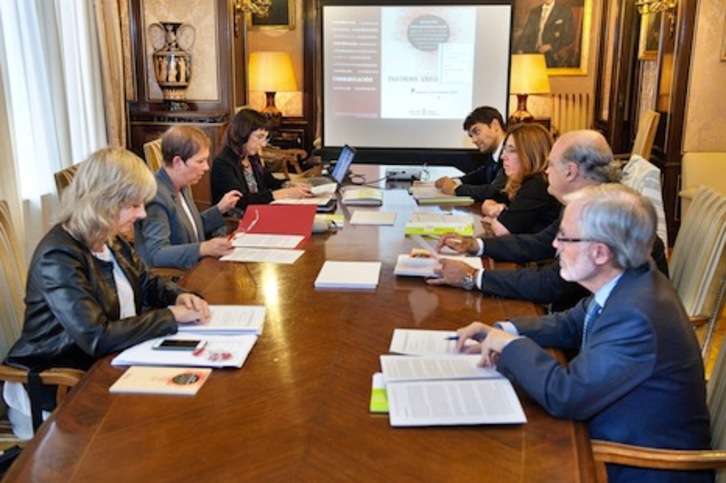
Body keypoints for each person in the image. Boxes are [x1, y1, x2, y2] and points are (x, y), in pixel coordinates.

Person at [455, 184, 712, 482]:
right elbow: (571, 324)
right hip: (602, 437)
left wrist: (511, 346)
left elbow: (566, 394)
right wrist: (500, 330)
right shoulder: (630, 278)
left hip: (634, 466)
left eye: (565, 237)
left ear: (600, 252)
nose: (555, 245)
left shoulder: (637, 315)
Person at [3, 147, 210, 438]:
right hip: (60, 388)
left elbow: (146, 282)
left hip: (108, 368)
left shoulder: (107, 239)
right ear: (104, 202)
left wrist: (177, 295)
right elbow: (96, 336)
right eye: (134, 204)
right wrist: (170, 317)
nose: (141, 214)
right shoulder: (59, 255)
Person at [429, 130, 668, 311]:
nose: (545, 171)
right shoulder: (586, 203)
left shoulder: (602, 215)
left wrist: (472, 277)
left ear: (570, 171)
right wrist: (475, 245)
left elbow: (550, 284)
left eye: (551, 164)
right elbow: (538, 243)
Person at [135, 125, 242, 270]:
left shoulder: (181, 183)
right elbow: (157, 253)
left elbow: (189, 229)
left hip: (197, 268)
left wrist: (219, 209)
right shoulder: (156, 195)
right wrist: (203, 248)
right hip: (178, 280)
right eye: (200, 161)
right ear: (178, 162)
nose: (206, 167)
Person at [211, 108, 312, 211]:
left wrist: (287, 184)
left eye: (265, 138)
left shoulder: (251, 156)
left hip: (259, 212)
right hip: (235, 221)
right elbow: (240, 201)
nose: (263, 144)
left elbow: (269, 180)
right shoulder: (223, 163)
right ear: (242, 133)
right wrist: (280, 194)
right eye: (259, 137)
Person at [479, 123, 560, 236]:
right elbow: (488, 202)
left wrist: (492, 219)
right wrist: (491, 209)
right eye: (505, 149)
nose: (503, 156)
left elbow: (501, 230)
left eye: (511, 151)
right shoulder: (519, 181)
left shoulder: (537, 184)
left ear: (530, 154)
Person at [433, 107, 507, 202]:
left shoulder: (512, 151)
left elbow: (495, 191)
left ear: (495, 125)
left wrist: (456, 189)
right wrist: (455, 181)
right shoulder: (495, 151)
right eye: (471, 136)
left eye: (477, 132)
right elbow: (482, 174)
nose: (474, 140)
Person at [517, 0, 575, 68]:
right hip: (532, 51)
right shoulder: (535, 11)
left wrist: (550, 46)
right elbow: (526, 33)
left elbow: (569, 36)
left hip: (551, 54)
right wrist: (520, 49)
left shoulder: (564, 11)